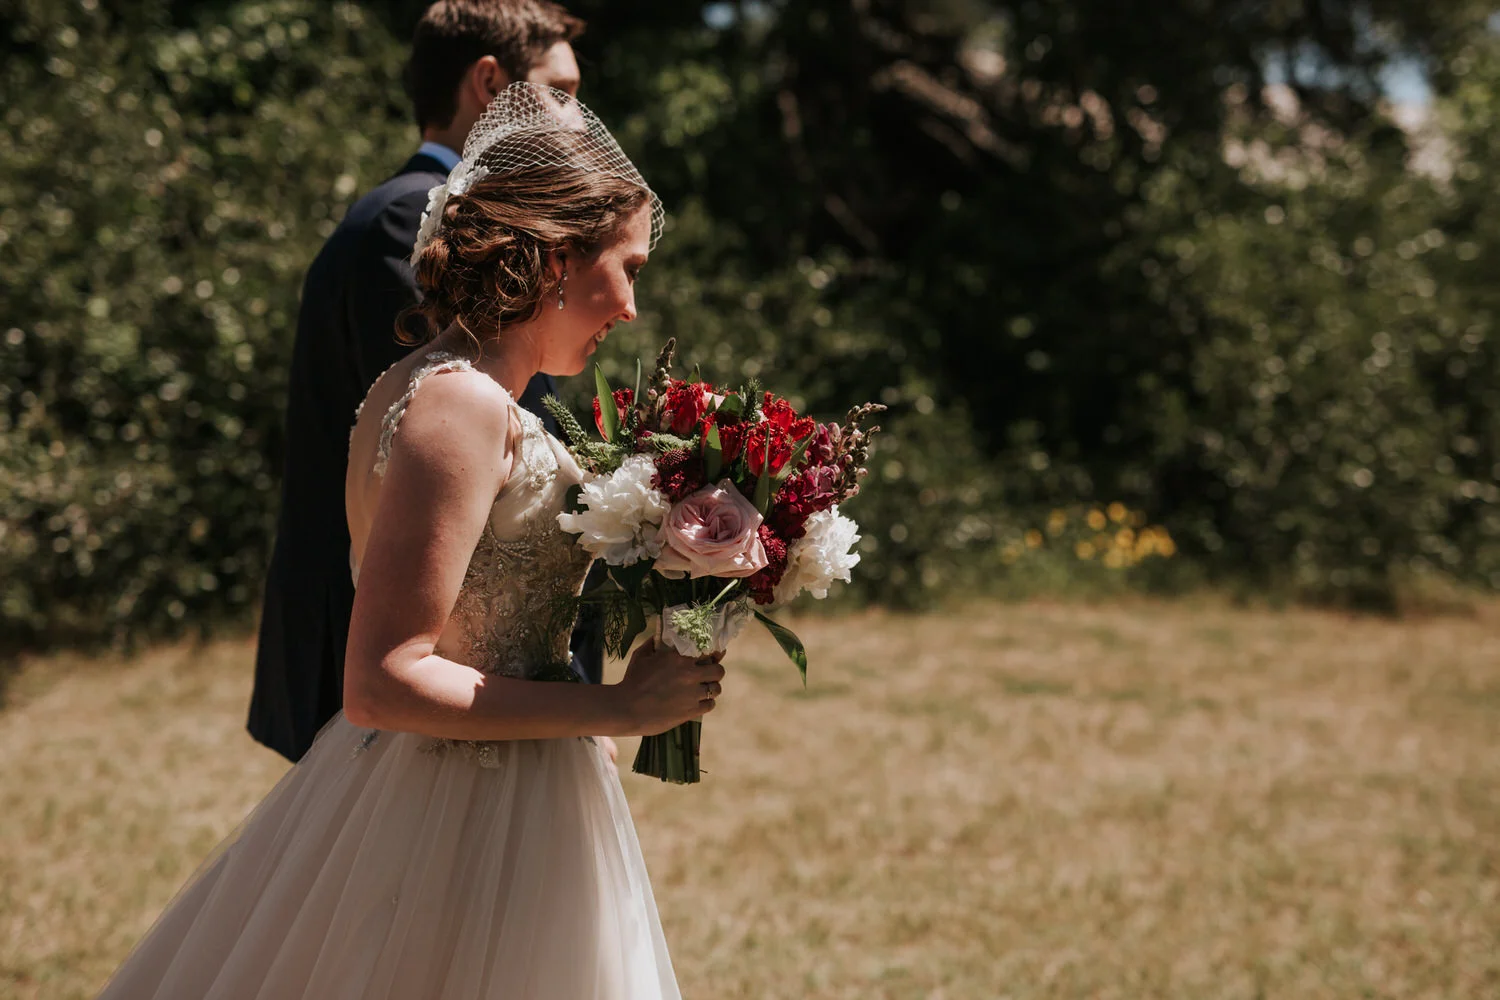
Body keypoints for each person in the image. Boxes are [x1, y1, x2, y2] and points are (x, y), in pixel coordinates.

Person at [97, 84, 715, 999]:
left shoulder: (429, 384)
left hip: (514, 789)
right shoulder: (460, 404)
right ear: (556, 259)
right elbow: (384, 679)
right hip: (456, 811)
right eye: (626, 267)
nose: (630, 307)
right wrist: (617, 709)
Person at [249, 0, 607, 766]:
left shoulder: (420, 212)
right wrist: (583, 694)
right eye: (563, 93)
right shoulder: (417, 221)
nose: (580, 122)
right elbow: (455, 469)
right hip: (412, 657)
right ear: (490, 82)